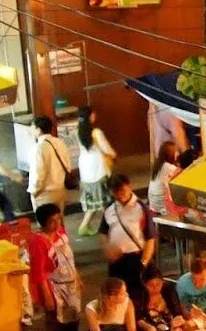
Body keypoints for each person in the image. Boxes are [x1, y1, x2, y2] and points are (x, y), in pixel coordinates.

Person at [28, 202, 82, 331]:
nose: (57, 223)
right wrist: (47, 295)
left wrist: (77, 278)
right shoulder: (38, 241)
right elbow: (39, 272)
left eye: (58, 219)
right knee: (54, 324)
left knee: (73, 322)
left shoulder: (61, 234)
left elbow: (69, 259)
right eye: (52, 220)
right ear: (44, 223)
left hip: (70, 286)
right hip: (54, 289)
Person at [102, 175, 156, 312]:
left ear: (129, 186)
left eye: (122, 191)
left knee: (137, 298)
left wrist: (143, 263)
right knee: (116, 297)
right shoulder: (110, 209)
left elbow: (150, 238)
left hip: (136, 260)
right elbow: (103, 232)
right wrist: (107, 248)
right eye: (116, 192)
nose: (120, 195)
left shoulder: (141, 208)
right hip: (117, 262)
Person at [75, 105, 116, 236]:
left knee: (93, 202)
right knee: (107, 201)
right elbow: (108, 150)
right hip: (99, 168)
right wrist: (114, 155)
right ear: (90, 116)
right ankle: (109, 226)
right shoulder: (96, 133)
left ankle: (84, 226)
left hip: (85, 170)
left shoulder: (78, 132)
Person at [27, 115, 71, 217]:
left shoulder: (38, 148)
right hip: (60, 188)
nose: (31, 131)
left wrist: (33, 191)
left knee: (46, 226)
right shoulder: (59, 142)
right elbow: (68, 164)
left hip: (44, 193)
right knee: (59, 223)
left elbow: (37, 173)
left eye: (32, 128)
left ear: (38, 130)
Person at [146, 141, 181, 219]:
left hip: (153, 204)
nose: (178, 153)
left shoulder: (157, 165)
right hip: (162, 206)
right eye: (176, 151)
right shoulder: (168, 167)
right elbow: (183, 177)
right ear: (170, 154)